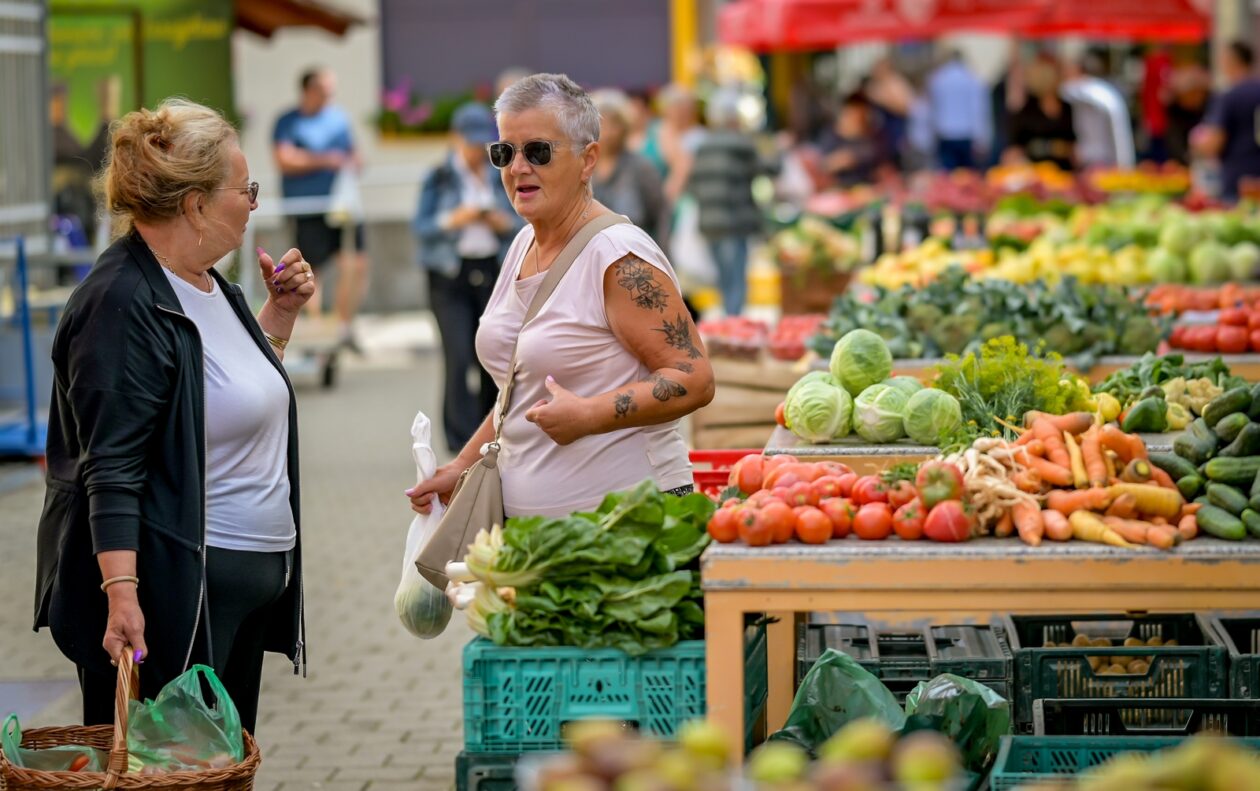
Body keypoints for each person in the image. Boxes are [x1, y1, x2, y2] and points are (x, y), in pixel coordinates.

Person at [34, 98, 311, 733]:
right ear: (195, 204)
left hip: (233, 586)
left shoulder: (208, 284)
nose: (254, 203)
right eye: (246, 188)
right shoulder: (120, 304)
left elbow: (218, 392)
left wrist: (279, 319)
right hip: (173, 594)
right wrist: (122, 593)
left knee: (217, 771)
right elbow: (111, 465)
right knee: (165, 773)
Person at [407, 73, 714, 520]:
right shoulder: (521, 244)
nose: (517, 168)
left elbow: (695, 377)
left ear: (588, 160)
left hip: (628, 530)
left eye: (537, 151)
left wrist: (591, 413)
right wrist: (461, 466)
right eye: (504, 153)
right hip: (541, 542)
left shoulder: (618, 257)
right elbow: (519, 394)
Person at [413, 103, 523, 453]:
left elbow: (520, 221)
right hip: (450, 273)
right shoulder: (440, 176)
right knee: (458, 355)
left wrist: (499, 222)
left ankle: (488, 433)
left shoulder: (497, 172)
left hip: (492, 269)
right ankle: (459, 440)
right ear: (456, 139)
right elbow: (421, 227)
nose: (478, 152)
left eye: (482, 144)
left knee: (490, 354)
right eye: (471, 143)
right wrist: (455, 220)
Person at [273, 67, 368, 350]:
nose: (329, 97)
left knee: (355, 264)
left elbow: (354, 154)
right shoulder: (288, 122)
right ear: (308, 90)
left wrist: (354, 163)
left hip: (342, 208)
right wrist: (327, 160)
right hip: (308, 208)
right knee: (311, 271)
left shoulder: (339, 119)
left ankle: (342, 326)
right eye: (325, 90)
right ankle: (319, 335)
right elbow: (285, 159)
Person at [687, 90, 766, 317]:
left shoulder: (702, 146)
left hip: (709, 220)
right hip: (735, 220)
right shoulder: (742, 144)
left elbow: (693, 184)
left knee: (722, 277)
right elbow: (768, 168)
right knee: (736, 280)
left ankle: (727, 326)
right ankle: (734, 328)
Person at [591, 89, 669, 248]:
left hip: (637, 253)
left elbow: (661, 215)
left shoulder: (641, 167)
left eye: (614, 124)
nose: (608, 132)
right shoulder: (585, 170)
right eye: (602, 124)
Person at [1194, 41, 1260, 202]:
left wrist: (1197, 145)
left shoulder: (1228, 97)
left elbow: (1215, 142)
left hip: (1237, 178)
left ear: (1231, 61)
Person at [1061, 53, 1135, 169]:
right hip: (1096, 158)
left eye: (1067, 71)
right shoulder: (1101, 93)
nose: (1064, 76)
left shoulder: (1091, 93)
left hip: (1102, 160)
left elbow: (1068, 90)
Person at [1007, 55, 1076, 171]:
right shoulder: (1028, 109)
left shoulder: (1067, 107)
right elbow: (1016, 145)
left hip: (1063, 171)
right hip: (1035, 171)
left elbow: (1073, 141)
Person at [927, 50, 990, 170]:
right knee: (968, 175)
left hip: (945, 133)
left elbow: (933, 110)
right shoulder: (972, 78)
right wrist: (982, 139)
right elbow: (978, 110)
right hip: (966, 134)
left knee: (948, 176)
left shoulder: (938, 79)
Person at [819, 92, 888, 188]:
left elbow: (882, 165)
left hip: (869, 188)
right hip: (840, 188)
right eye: (852, 114)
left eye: (860, 115)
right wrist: (836, 162)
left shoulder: (873, 135)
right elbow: (820, 167)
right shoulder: (831, 136)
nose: (856, 119)